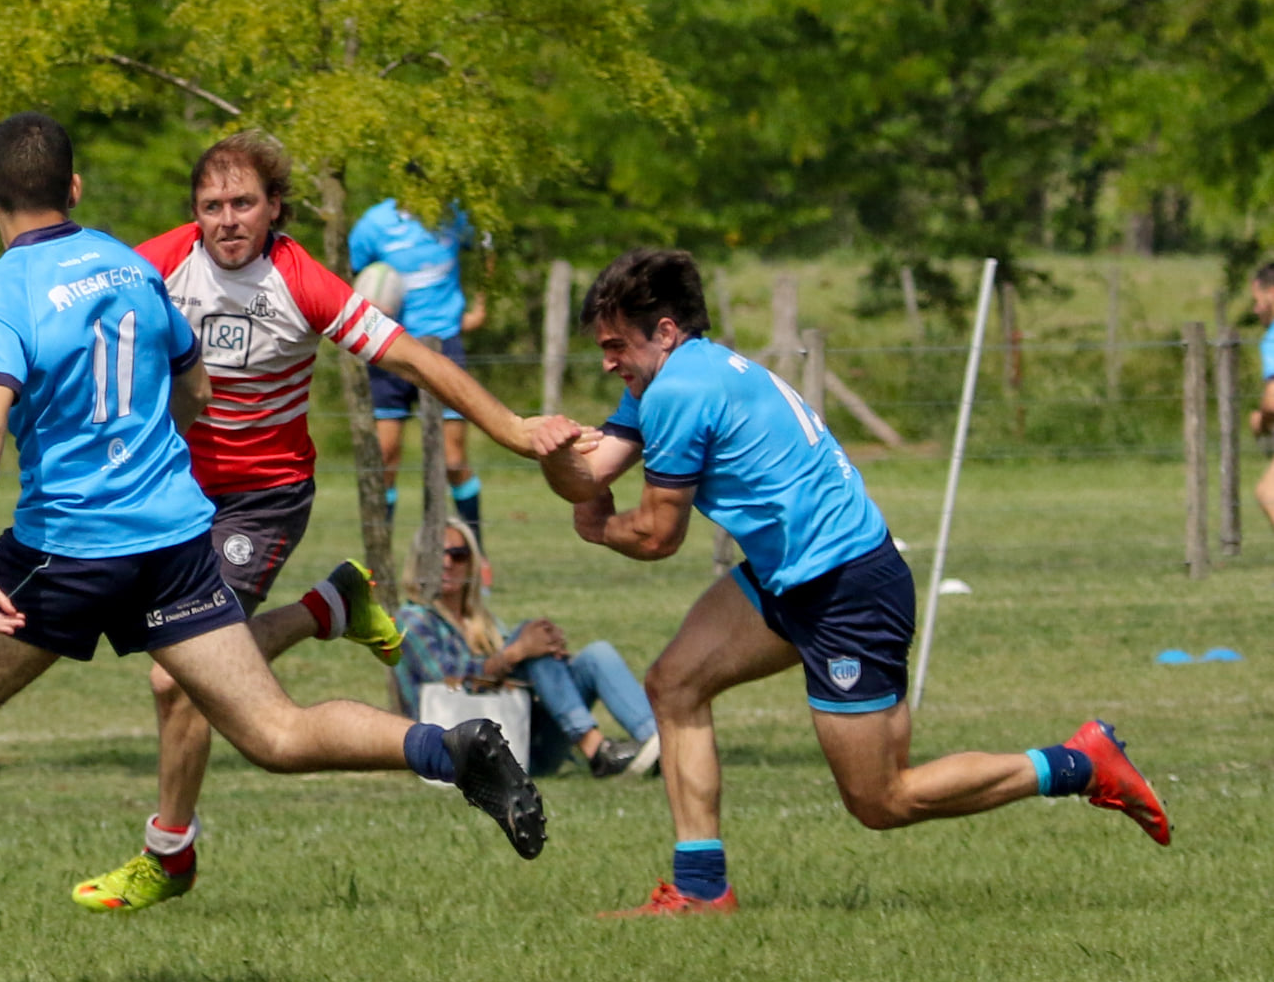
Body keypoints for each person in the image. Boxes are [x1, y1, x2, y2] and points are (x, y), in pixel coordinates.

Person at [0, 113, 545, 982]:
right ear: (75, 189)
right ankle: (449, 747)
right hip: (174, 538)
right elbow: (193, 380)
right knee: (273, 730)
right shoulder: (131, 265)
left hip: (65, 552)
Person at [530, 247, 1170, 917]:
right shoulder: (673, 377)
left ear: (664, 330)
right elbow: (590, 472)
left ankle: (1081, 763)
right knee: (674, 683)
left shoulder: (681, 391)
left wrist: (597, 526)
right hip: (794, 576)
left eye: (614, 345)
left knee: (883, 800)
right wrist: (542, 444)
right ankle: (700, 889)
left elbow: (658, 536)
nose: (606, 362)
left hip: (845, 591)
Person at [72, 130, 552, 913]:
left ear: (274, 209)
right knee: (187, 679)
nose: (227, 219)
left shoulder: (303, 283)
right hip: (174, 498)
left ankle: (169, 853)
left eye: (243, 204)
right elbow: (79, 317)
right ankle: (332, 607)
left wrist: (514, 429)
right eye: (212, 205)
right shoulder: (155, 265)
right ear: (194, 212)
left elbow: (417, 362)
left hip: (264, 498)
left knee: (177, 679)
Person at [393, 519, 661, 779]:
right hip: (457, 754)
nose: (446, 563)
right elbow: (447, 678)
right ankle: (595, 749)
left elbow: (524, 669)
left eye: (458, 554)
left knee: (595, 656)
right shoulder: (412, 620)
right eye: (435, 555)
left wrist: (549, 649)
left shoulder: (483, 622)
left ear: (472, 563)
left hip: (519, 741)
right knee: (526, 641)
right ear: (418, 563)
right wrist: (516, 653)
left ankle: (659, 745)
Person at [348, 197, 491, 553]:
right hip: (388, 348)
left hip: (444, 343)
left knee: (454, 459)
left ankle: (475, 558)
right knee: (385, 458)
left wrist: (480, 307)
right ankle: (380, 563)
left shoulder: (454, 214)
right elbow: (351, 274)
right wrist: (366, 307)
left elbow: (488, 247)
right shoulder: (373, 223)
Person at [1248, 262, 1274, 529]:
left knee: (1269, 495)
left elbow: (1273, 399)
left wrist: (1261, 422)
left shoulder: (1273, 337)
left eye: (1258, 300)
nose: (1255, 309)